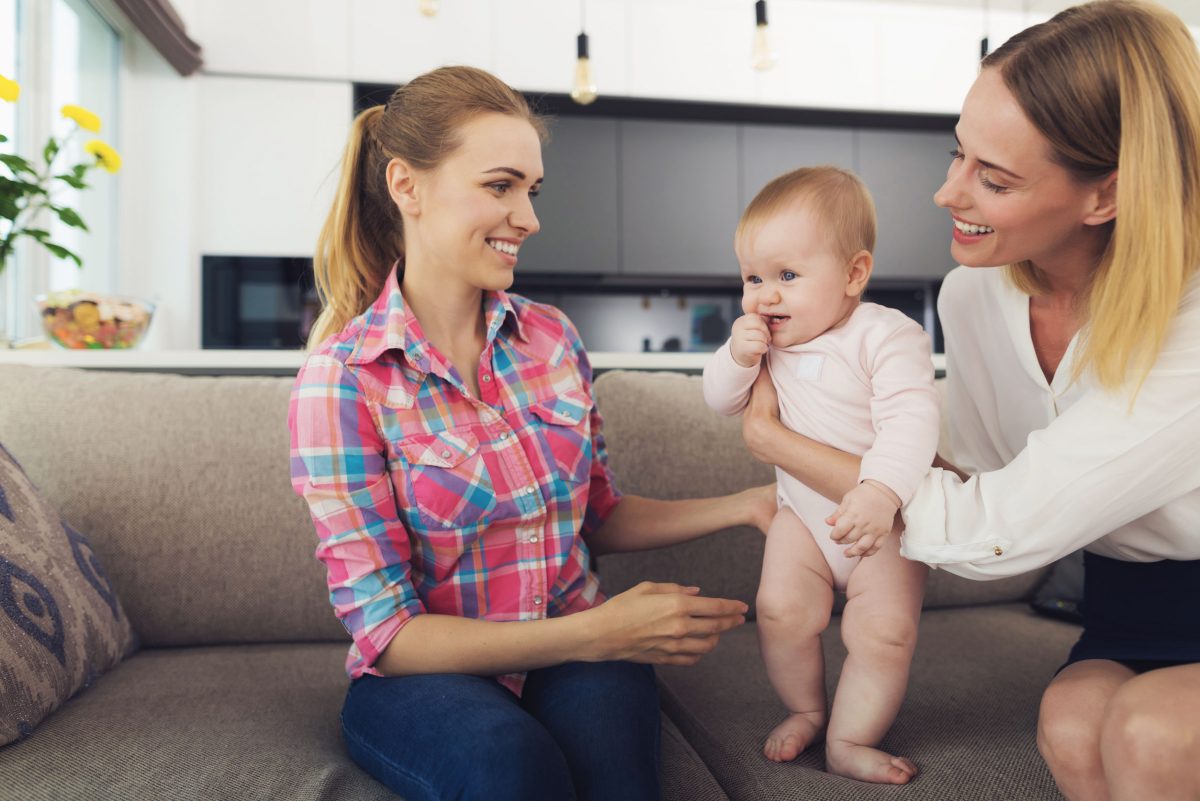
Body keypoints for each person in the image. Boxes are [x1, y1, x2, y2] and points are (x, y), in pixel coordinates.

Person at [742, 3, 1200, 799]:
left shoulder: (1189, 325)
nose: (946, 191)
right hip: (1135, 604)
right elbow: (980, 473)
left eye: (994, 177)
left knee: (1151, 732)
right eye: (958, 153)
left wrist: (780, 441)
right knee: (1071, 723)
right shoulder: (974, 296)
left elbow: (994, 526)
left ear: (1104, 197)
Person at [287, 66, 775, 801]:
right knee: (509, 767)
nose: (529, 216)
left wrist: (748, 503)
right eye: (500, 185)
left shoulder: (551, 339)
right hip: (425, 676)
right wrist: (599, 632)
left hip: (579, 645)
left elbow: (596, 515)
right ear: (406, 187)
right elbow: (391, 633)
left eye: (532, 191)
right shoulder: (344, 381)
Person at [702, 167, 939, 784]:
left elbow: (911, 422)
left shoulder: (886, 336)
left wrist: (880, 492)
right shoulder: (766, 346)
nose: (764, 296)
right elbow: (721, 401)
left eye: (786, 275)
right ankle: (806, 708)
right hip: (802, 520)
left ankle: (849, 739)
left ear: (854, 274)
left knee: (883, 632)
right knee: (779, 609)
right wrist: (735, 356)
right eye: (752, 277)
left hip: (881, 529)